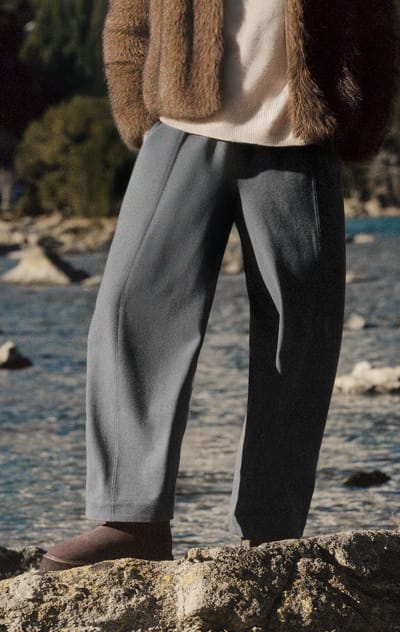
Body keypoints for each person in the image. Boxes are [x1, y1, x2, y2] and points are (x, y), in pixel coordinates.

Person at [39, 0, 400, 571]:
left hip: (301, 137)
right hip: (182, 126)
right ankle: (131, 520)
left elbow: (378, 23)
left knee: (299, 337)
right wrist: (138, 111)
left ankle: (269, 531)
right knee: (131, 310)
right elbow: (130, 18)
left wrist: (360, 123)